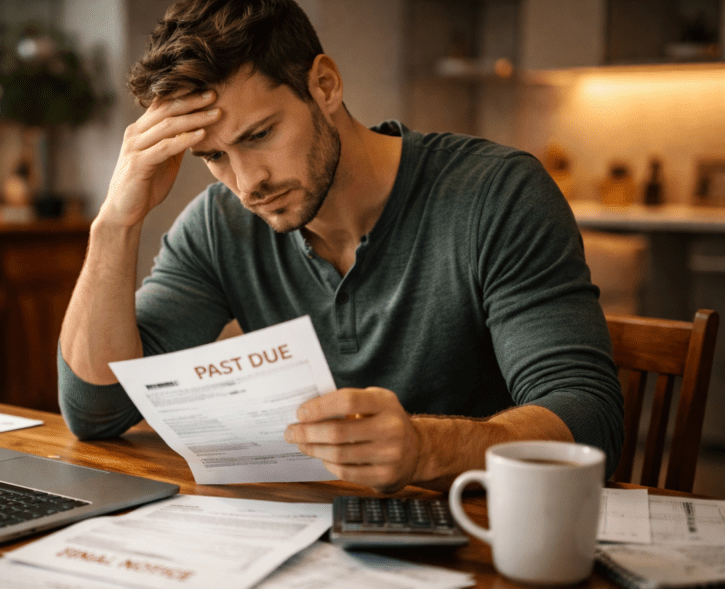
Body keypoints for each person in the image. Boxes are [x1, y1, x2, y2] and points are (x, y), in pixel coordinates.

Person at [58, 0, 623, 492]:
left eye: (259, 135)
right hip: (310, 540)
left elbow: (589, 419)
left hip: (484, 533)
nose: (248, 182)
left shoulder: (496, 195)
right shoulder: (218, 225)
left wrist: (426, 448)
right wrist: (115, 223)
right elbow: (97, 410)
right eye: (214, 157)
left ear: (325, 85)